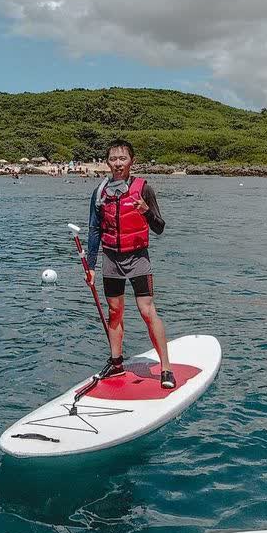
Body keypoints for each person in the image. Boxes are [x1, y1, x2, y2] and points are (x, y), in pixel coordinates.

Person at [85, 139, 174, 388]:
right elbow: (94, 230)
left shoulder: (144, 189)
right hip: (111, 258)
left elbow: (159, 228)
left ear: (131, 161)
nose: (117, 163)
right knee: (115, 312)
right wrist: (91, 266)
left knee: (147, 311)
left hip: (138, 258)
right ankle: (116, 363)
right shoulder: (99, 193)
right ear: (107, 163)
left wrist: (146, 210)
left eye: (122, 158)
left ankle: (165, 367)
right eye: (113, 159)